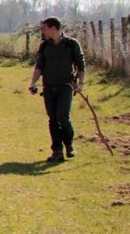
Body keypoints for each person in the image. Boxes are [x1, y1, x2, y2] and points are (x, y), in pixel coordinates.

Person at [28, 17, 86, 162]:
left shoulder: (71, 44)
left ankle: (69, 145)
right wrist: (33, 83)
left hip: (65, 86)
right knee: (52, 119)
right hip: (48, 86)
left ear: (54, 28)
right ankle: (57, 151)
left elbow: (80, 64)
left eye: (44, 28)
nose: (42, 31)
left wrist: (81, 83)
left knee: (63, 117)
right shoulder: (44, 46)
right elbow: (39, 66)